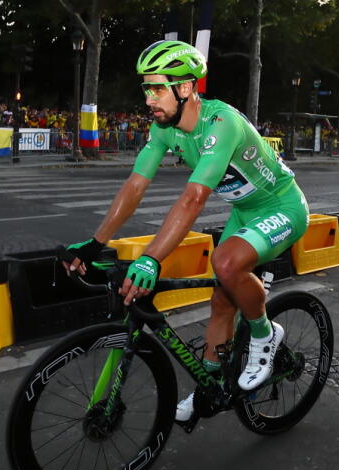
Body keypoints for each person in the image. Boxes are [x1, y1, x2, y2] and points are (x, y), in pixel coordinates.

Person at [63, 40, 310, 420]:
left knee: (226, 263)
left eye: (157, 88)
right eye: (146, 89)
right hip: (245, 212)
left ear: (186, 88)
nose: (149, 98)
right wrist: (96, 244)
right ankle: (210, 389)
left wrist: (150, 259)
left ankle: (265, 334)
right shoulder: (164, 128)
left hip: (283, 206)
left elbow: (194, 199)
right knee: (220, 300)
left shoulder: (220, 123)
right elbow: (135, 186)